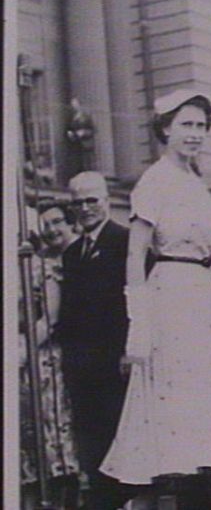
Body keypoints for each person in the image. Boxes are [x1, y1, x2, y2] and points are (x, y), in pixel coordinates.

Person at [100, 89, 211, 509]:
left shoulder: (195, 180)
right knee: (171, 404)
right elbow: (136, 253)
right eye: (186, 125)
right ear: (165, 129)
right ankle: (145, 502)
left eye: (201, 126)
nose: (195, 134)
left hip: (203, 296)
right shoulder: (155, 180)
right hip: (170, 298)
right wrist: (139, 320)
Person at [57, 172, 135, 509]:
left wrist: (129, 351)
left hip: (115, 364)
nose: (85, 208)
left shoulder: (126, 242)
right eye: (78, 202)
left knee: (122, 446)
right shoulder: (73, 254)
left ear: (106, 200)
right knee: (93, 448)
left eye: (92, 200)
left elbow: (135, 302)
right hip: (82, 368)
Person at [20, 202, 80, 509]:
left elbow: (51, 317)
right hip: (18, 365)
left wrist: (20, 350)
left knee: (53, 433)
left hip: (40, 358)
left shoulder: (43, 268)